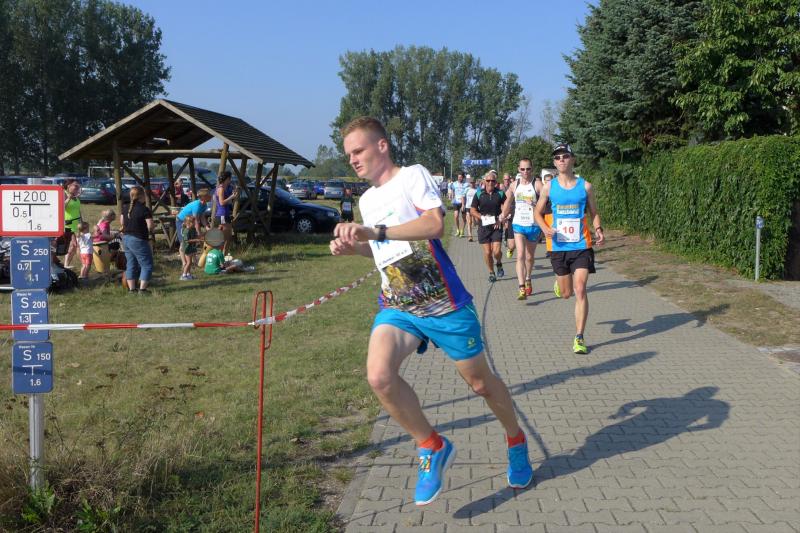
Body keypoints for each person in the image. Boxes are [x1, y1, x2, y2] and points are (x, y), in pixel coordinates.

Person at [330, 116, 533, 506]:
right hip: (399, 305)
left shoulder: (412, 176)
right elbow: (381, 249)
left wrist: (375, 232)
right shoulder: (367, 200)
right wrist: (354, 246)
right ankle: (431, 445)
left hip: (444, 304)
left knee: (481, 384)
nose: (352, 160)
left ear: (382, 146)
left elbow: (433, 224)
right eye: (348, 154)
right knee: (379, 376)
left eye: (358, 151)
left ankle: (516, 440)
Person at [534, 143, 605, 354]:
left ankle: (579, 337)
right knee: (566, 293)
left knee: (580, 288)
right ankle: (560, 284)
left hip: (581, 245)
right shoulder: (549, 187)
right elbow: (537, 213)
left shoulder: (586, 187)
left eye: (565, 156)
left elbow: (594, 213)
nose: (561, 160)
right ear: (554, 163)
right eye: (557, 158)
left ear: (572, 159)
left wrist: (598, 229)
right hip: (558, 246)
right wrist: (545, 228)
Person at [500, 159, 542, 300]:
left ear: (532, 169)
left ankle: (528, 277)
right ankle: (521, 287)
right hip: (518, 224)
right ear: (519, 169)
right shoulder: (514, 185)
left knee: (529, 257)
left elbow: (546, 204)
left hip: (534, 225)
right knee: (520, 255)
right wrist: (503, 215)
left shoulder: (537, 184)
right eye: (522, 169)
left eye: (528, 169)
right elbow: (507, 201)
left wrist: (535, 203)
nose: (525, 172)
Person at [470, 172, 506, 282]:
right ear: (484, 181)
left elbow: (506, 208)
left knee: (496, 252)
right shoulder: (479, 194)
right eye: (488, 180)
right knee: (487, 253)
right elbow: (472, 210)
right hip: (484, 227)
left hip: (496, 226)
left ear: (496, 182)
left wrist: (501, 218)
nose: (490, 182)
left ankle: (499, 263)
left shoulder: (500, 193)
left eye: (493, 181)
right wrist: (482, 217)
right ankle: (491, 272)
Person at [120, 186, 155, 294]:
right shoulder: (144, 209)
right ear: (141, 196)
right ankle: (143, 289)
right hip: (138, 239)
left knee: (131, 264)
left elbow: (122, 222)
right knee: (147, 264)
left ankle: (132, 289)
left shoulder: (125, 207)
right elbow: (150, 225)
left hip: (126, 238)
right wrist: (151, 228)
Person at [214, 171, 239, 255]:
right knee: (224, 239)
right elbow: (221, 202)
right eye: (230, 179)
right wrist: (231, 197)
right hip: (222, 215)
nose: (230, 180)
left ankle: (222, 258)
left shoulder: (226, 188)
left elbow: (228, 202)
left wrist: (234, 194)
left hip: (225, 214)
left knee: (227, 238)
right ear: (227, 179)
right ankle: (219, 258)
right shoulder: (221, 189)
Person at [63, 180, 82, 268]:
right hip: (68, 225)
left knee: (74, 246)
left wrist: (81, 222)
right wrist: (69, 198)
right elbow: (61, 207)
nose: (77, 187)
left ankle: (66, 265)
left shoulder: (76, 197)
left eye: (77, 185)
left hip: (76, 225)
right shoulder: (64, 194)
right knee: (73, 245)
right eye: (75, 185)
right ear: (68, 186)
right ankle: (66, 265)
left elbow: (78, 211)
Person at [179, 215, 201, 280]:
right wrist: (196, 240)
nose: (194, 223)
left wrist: (200, 237)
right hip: (187, 248)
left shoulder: (193, 229)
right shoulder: (186, 231)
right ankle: (183, 275)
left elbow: (195, 236)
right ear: (188, 223)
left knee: (190, 262)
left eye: (194, 222)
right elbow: (187, 240)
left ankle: (188, 274)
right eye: (193, 222)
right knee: (188, 262)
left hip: (191, 247)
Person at [448, 172, 468, 237]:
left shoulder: (466, 184)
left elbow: (467, 193)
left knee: (464, 218)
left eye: (461, 177)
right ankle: (457, 230)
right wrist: (451, 197)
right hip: (456, 202)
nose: (459, 178)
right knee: (456, 216)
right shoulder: (454, 184)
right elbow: (452, 190)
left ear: (463, 177)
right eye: (458, 177)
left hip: (463, 202)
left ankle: (462, 231)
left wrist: (464, 204)